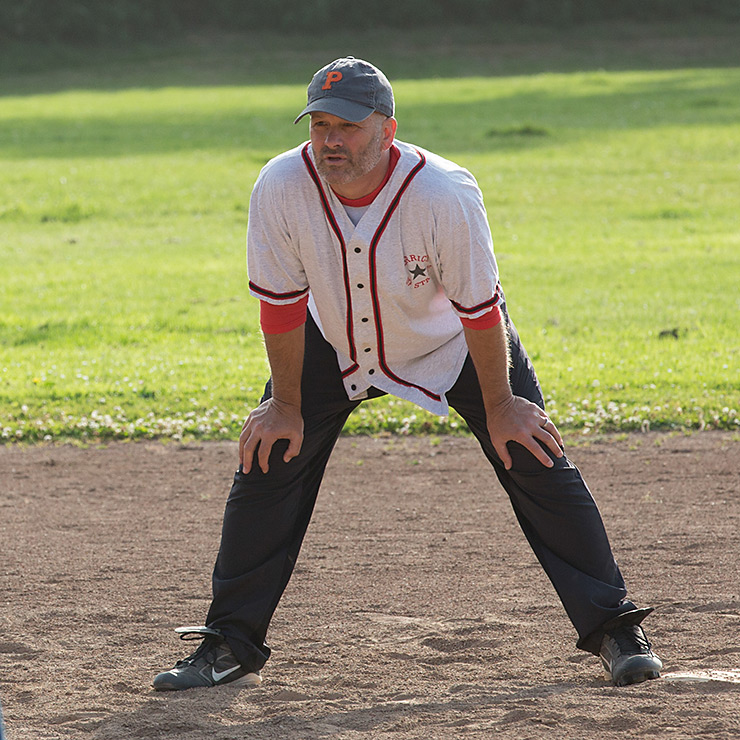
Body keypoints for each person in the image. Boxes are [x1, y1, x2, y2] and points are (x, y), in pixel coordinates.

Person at [153, 57, 662, 691]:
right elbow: (280, 307)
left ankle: (616, 628)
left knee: (534, 456)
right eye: (320, 123)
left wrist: (502, 404)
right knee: (268, 460)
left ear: (388, 130)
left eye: (349, 126)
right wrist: (285, 404)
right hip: (333, 338)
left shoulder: (443, 192)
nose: (331, 139)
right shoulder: (281, 185)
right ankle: (228, 642)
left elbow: (481, 310)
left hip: (449, 342)